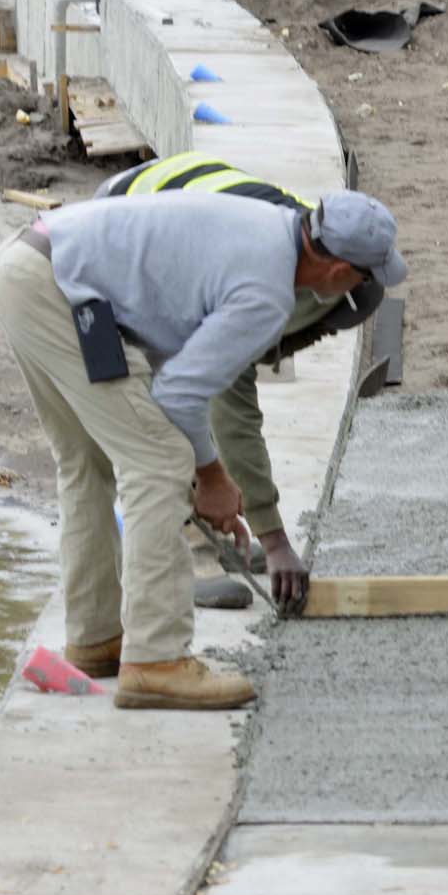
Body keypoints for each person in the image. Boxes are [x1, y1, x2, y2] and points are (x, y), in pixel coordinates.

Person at [0, 183, 408, 709]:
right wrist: (209, 477)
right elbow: (180, 394)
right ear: (339, 273)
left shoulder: (263, 226)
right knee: (160, 462)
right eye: (366, 276)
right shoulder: (267, 292)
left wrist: (211, 481)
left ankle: (96, 639)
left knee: (87, 462)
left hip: (27, 264)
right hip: (61, 292)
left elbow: (170, 361)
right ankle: (156, 660)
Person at [91, 151, 390, 616]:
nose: (298, 345)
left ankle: (200, 529)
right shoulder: (257, 285)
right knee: (155, 436)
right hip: (103, 269)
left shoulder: (306, 233)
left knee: (189, 409)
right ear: (329, 280)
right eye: (315, 330)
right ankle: (178, 567)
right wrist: (274, 539)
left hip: (144, 218)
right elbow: (232, 409)